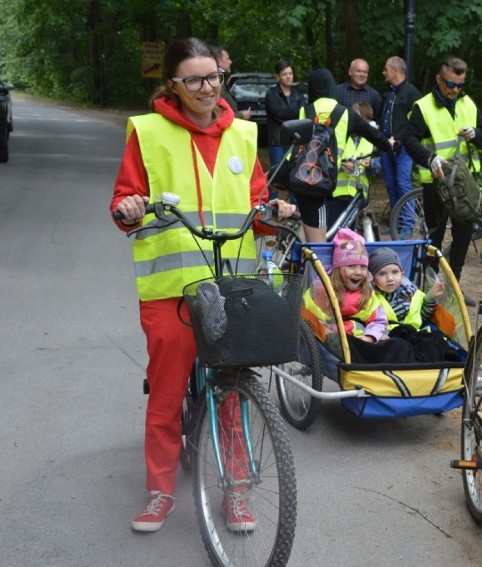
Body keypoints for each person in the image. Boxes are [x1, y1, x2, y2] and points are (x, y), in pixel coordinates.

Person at [110, 37, 297, 533]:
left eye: (212, 76)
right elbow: (127, 198)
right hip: (171, 291)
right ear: (172, 85)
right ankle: (160, 490)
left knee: (231, 393)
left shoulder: (243, 133)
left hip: (231, 287)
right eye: (193, 80)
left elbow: (257, 201)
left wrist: (274, 211)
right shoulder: (148, 132)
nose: (206, 88)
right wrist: (129, 207)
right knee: (168, 395)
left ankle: (236, 491)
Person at [402, 56, 482, 303]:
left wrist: (476, 134)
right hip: (437, 184)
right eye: (450, 84)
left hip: (464, 185)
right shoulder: (423, 107)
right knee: (435, 238)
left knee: (463, 235)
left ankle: (454, 288)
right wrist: (430, 158)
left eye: (460, 85)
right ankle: (432, 290)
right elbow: (408, 140)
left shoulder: (468, 103)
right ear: (439, 80)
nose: (455, 90)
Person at [295, 68, 394, 243]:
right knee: (325, 242)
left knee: (311, 238)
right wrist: (389, 145)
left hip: (303, 180)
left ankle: (301, 262)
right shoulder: (346, 113)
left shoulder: (305, 111)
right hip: (327, 184)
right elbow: (375, 135)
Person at [303, 229, 414, 363]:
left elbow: (378, 320)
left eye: (363, 267)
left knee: (397, 344)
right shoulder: (322, 289)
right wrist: (329, 331)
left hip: (362, 339)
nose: (358, 272)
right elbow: (310, 317)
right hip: (333, 338)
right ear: (338, 268)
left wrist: (371, 336)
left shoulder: (366, 292)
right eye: (351, 266)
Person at [368, 247, 460, 363]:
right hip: (391, 337)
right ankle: (418, 366)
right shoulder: (371, 298)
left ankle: (442, 365)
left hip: (415, 334)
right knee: (399, 346)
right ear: (373, 279)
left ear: (402, 274)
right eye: (382, 274)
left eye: (395, 272)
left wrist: (430, 297)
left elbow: (422, 316)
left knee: (434, 341)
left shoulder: (412, 293)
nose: (390, 278)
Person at [379, 56, 422, 237]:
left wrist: (400, 140)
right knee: (391, 184)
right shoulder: (390, 93)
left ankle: (408, 225)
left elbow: (415, 124)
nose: (384, 72)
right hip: (386, 146)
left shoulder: (413, 94)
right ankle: (396, 222)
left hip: (403, 148)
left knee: (403, 183)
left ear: (395, 71)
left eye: (386, 69)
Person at [327, 101, 375, 226]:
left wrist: (373, 163)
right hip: (337, 194)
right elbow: (327, 161)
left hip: (358, 195)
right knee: (334, 231)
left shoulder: (373, 139)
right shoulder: (340, 136)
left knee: (354, 234)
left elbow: (382, 165)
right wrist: (340, 165)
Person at [265, 59, 307, 169]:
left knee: (295, 173)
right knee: (277, 174)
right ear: (278, 77)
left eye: (290, 73)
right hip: (277, 142)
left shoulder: (298, 94)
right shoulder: (271, 94)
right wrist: (296, 112)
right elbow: (278, 113)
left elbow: (303, 112)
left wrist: (286, 116)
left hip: (295, 141)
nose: (288, 77)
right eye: (284, 74)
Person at [211, 45, 251, 120]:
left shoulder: (220, 79)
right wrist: (241, 115)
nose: (230, 62)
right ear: (218, 62)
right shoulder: (217, 82)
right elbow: (219, 114)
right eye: (227, 59)